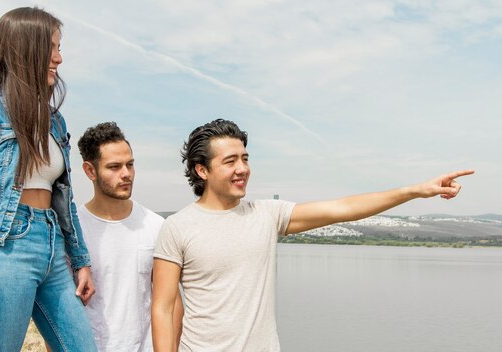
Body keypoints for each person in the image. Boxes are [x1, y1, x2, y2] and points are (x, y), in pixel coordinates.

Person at [151, 119, 474, 351]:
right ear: (202, 170)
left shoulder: (266, 215)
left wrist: (415, 190)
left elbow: (345, 207)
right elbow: (163, 308)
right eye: (230, 161)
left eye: (246, 159)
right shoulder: (178, 227)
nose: (242, 169)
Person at [0, 7, 97, 352]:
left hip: (53, 248)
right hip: (4, 247)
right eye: (52, 48)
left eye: (60, 48)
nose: (59, 58)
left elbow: (64, 201)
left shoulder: (55, 121)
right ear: (26, 49)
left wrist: (81, 260)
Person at [75, 122, 184, 351]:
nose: (126, 174)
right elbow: (57, 308)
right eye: (114, 167)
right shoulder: (73, 231)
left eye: (130, 165)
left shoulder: (155, 225)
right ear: (90, 171)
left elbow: (172, 302)